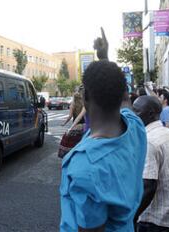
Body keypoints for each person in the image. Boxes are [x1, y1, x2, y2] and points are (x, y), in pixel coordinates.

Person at [60, 60, 147, 231]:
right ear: (123, 94)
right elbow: (126, 103)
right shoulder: (136, 126)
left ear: (85, 97)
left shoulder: (86, 166)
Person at [133, 96, 169, 232]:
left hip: (155, 221)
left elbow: (148, 186)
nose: (132, 115)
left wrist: (131, 216)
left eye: (136, 111)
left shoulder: (149, 141)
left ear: (150, 113)